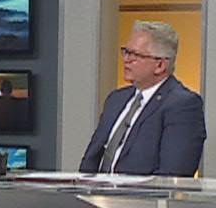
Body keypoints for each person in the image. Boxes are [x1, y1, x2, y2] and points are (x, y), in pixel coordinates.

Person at [78, 21, 205, 176]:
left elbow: (173, 173)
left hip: (141, 192)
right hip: (95, 191)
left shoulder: (182, 105)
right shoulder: (116, 99)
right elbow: (90, 161)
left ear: (160, 65)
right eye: (126, 52)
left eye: (135, 55)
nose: (126, 59)